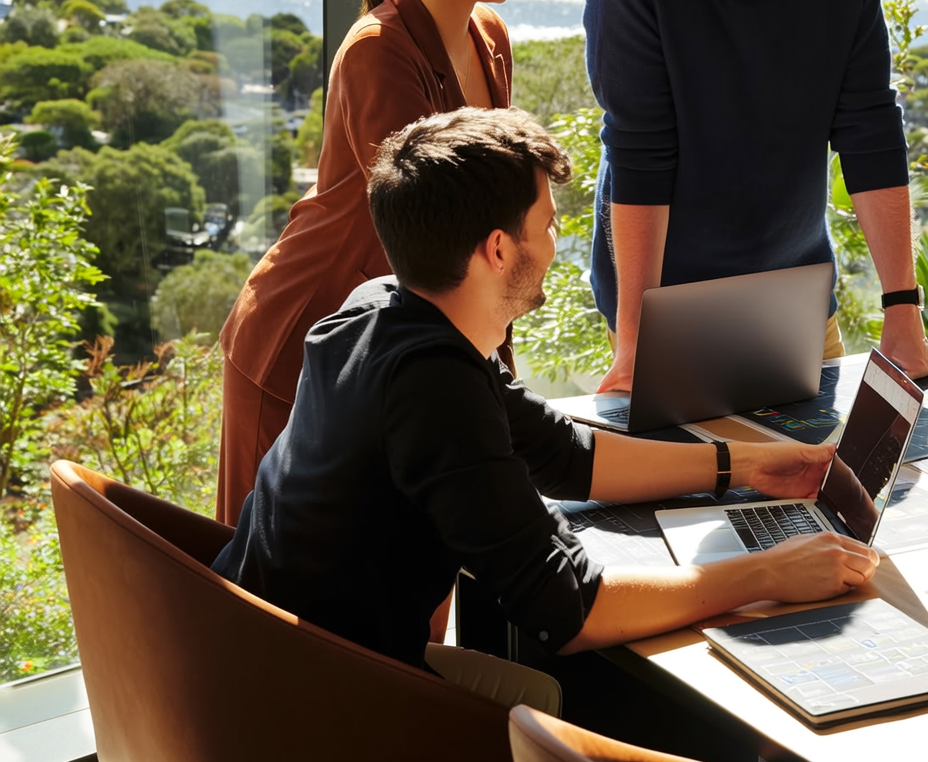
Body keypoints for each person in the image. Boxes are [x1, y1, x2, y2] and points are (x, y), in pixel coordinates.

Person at [214, 107, 878, 709]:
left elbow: (564, 456)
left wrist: (743, 467)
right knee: (577, 694)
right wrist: (769, 572)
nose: (556, 244)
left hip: (243, 668)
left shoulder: (379, 309)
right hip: (317, 718)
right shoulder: (434, 388)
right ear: (498, 250)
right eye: (547, 224)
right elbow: (570, 611)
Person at [583, 0, 928, 390]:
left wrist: (902, 309)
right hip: (669, 307)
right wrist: (637, 342)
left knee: (821, 473)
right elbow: (640, 155)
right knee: (697, 481)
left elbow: (870, 131)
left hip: (796, 291)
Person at [216, 0, 527, 525]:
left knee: (403, 578)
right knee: (267, 603)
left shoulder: (489, 33)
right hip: (307, 340)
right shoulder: (378, 53)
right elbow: (439, 230)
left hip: (396, 344)